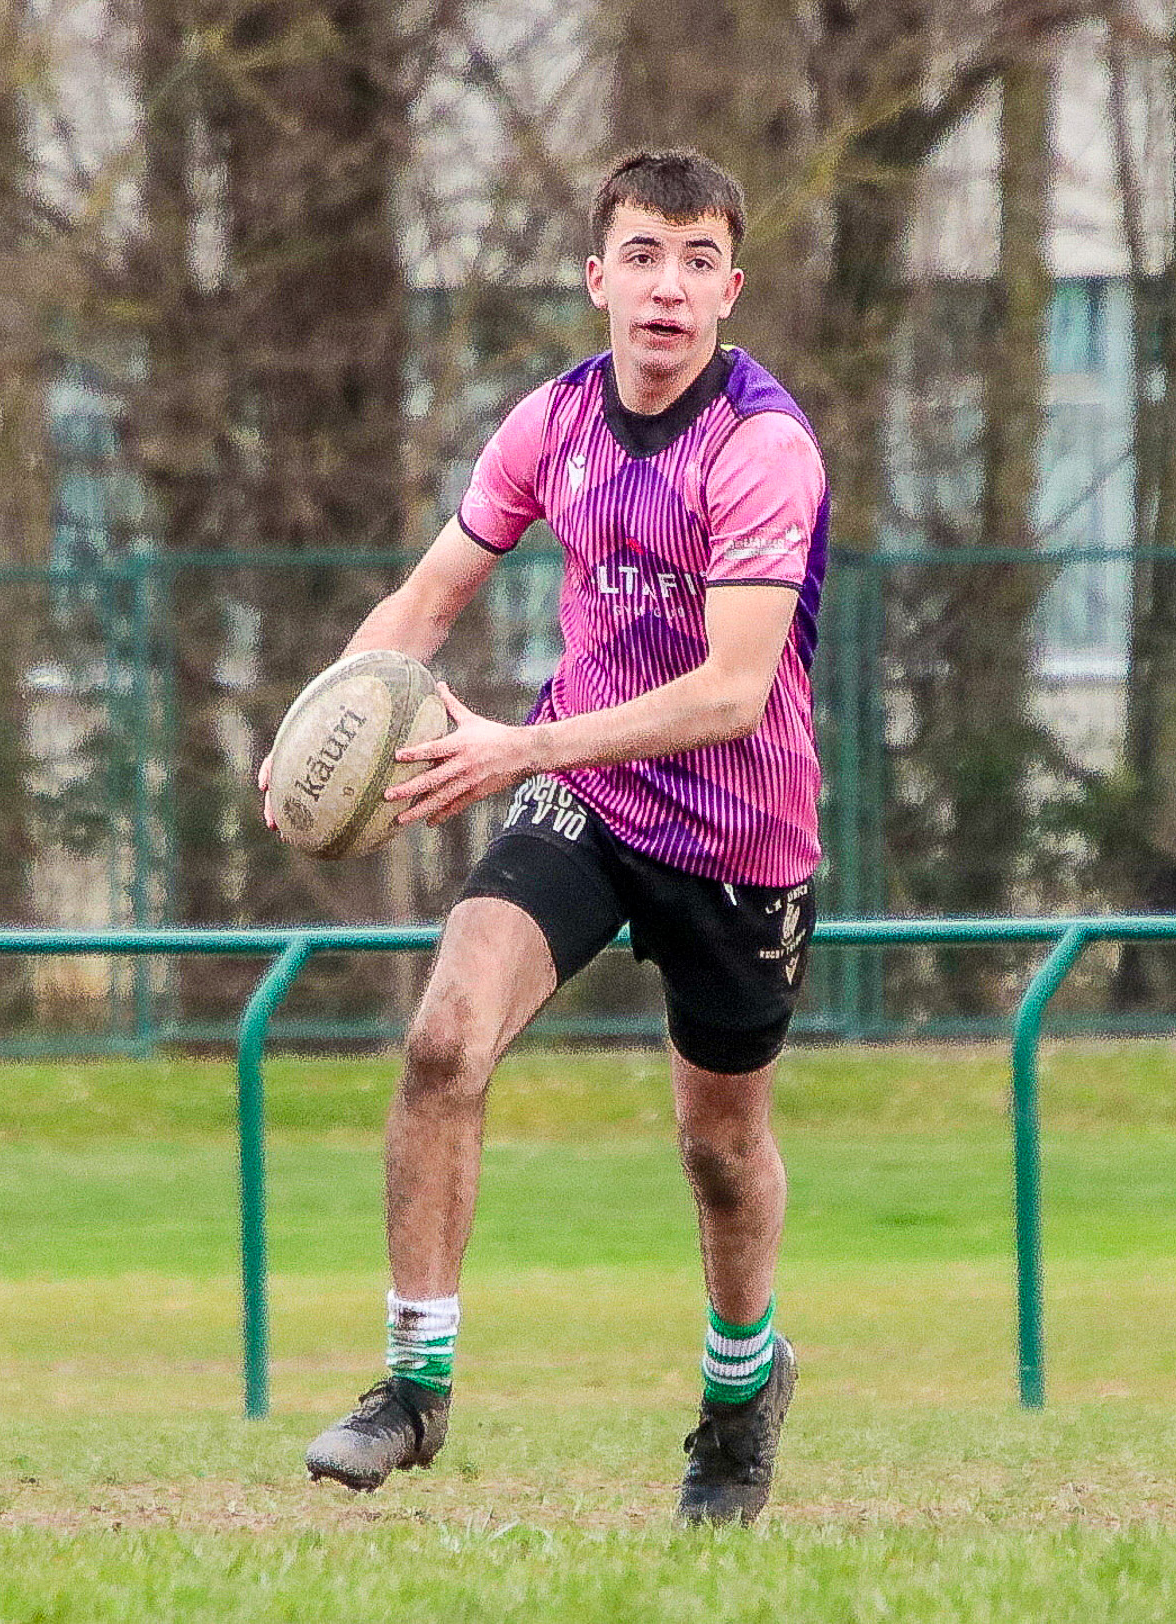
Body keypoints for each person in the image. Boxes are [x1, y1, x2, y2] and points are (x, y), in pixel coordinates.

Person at [259, 147, 830, 1526]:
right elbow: (429, 597)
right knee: (445, 1037)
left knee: (719, 1151)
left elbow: (728, 693)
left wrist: (517, 745)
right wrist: (306, 730)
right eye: (643, 255)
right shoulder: (552, 425)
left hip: (741, 836)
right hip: (586, 806)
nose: (668, 288)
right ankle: (414, 1381)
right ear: (597, 280)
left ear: (730, 292)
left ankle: (743, 1396)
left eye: (699, 262)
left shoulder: (760, 449)